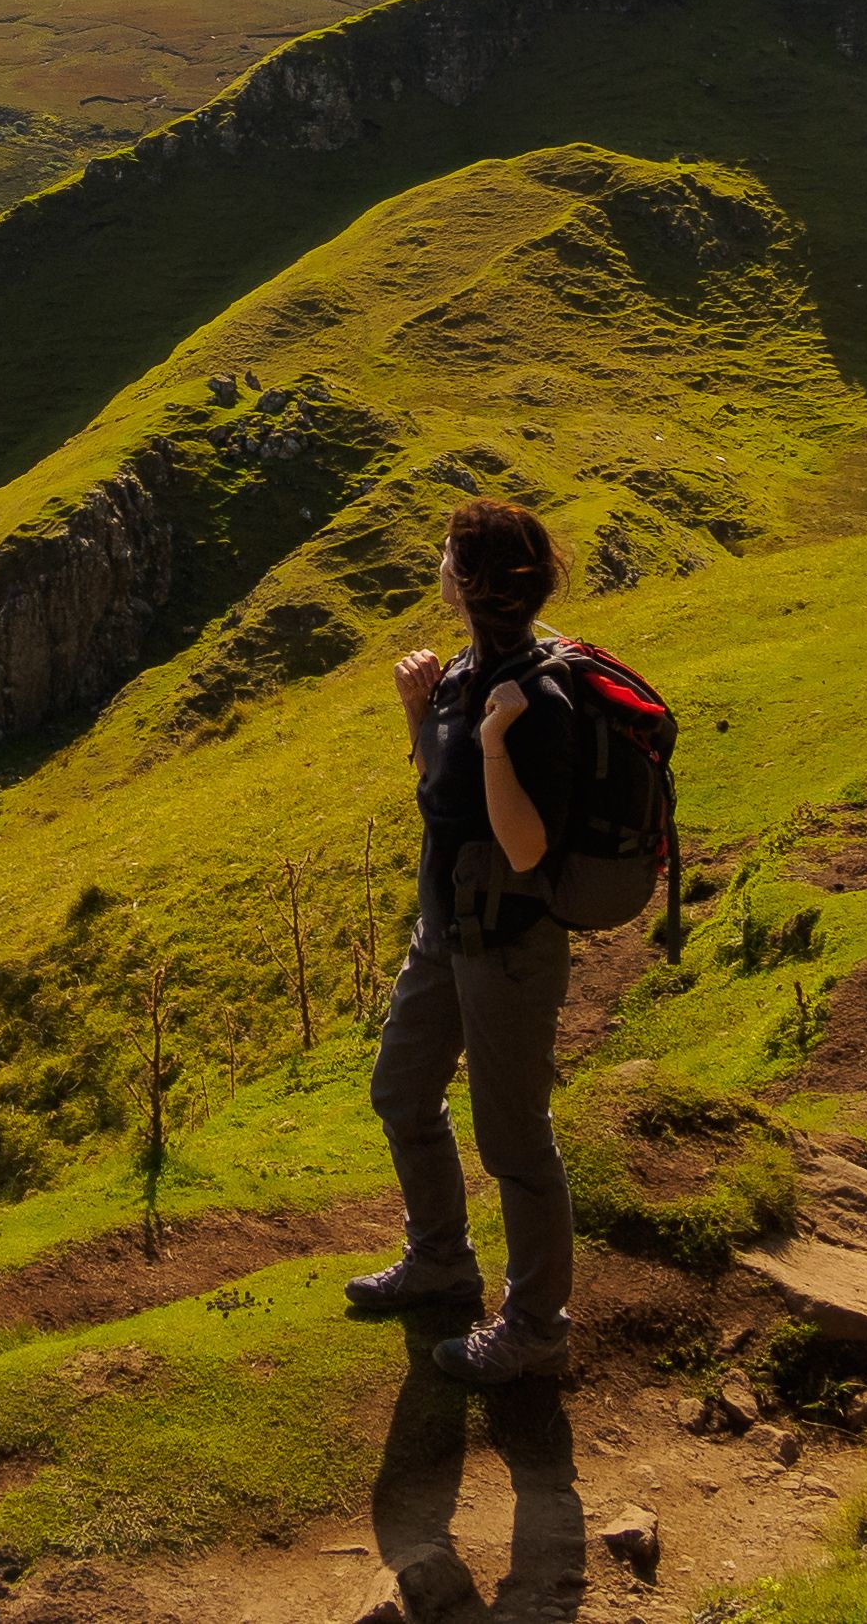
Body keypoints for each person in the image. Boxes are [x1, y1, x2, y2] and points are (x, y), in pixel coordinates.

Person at [342, 496, 578, 1388]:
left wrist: (491, 740)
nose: (437, 566)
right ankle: (440, 1260)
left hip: (511, 946)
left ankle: (535, 1326)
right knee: (401, 1092)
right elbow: (442, 803)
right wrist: (420, 711)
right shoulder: (465, 672)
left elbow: (524, 846)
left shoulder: (536, 698)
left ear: (474, 582)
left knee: (515, 1141)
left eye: (447, 557)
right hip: (443, 931)